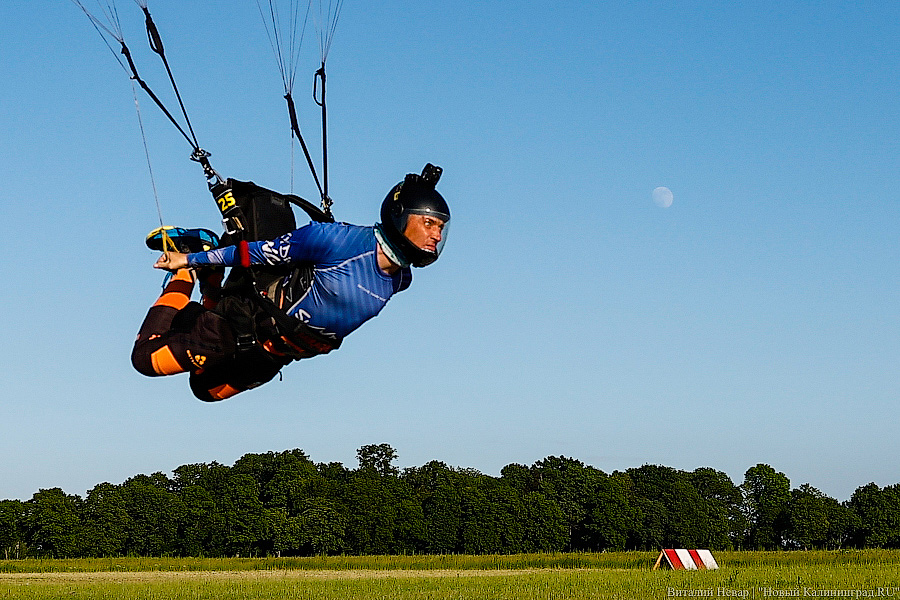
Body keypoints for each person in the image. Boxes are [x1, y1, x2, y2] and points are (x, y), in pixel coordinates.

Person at [131, 165, 450, 401]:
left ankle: (210, 271)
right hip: (244, 325)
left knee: (204, 389)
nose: (436, 235)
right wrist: (186, 262)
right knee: (145, 359)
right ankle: (192, 260)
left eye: (441, 227)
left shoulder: (399, 277)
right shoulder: (334, 240)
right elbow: (253, 253)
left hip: (271, 356)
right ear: (399, 216)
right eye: (428, 223)